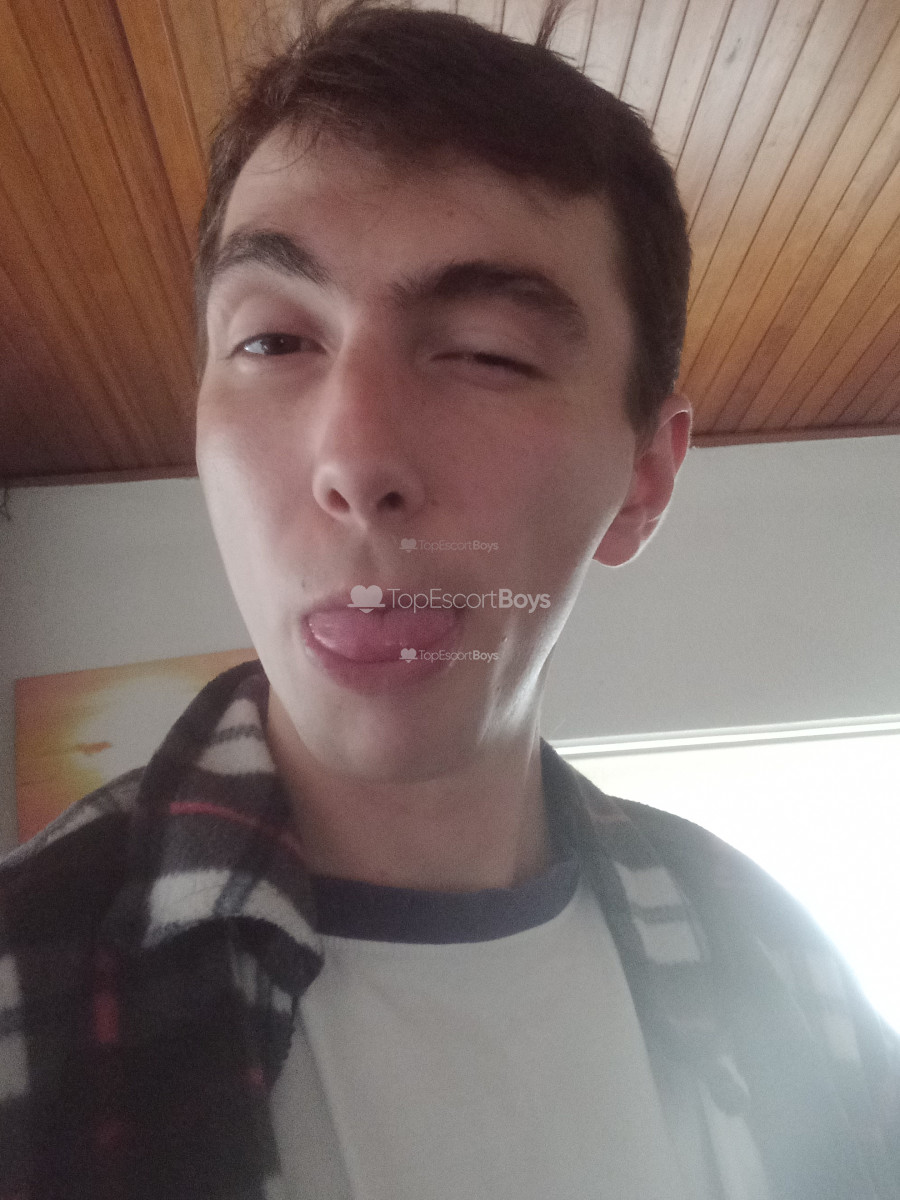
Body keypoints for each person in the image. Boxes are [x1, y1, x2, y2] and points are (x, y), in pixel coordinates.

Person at [1, 1, 898, 1197]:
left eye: (487, 353)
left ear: (643, 478)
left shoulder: (786, 974)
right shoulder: (23, 981)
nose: (355, 460)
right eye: (273, 343)